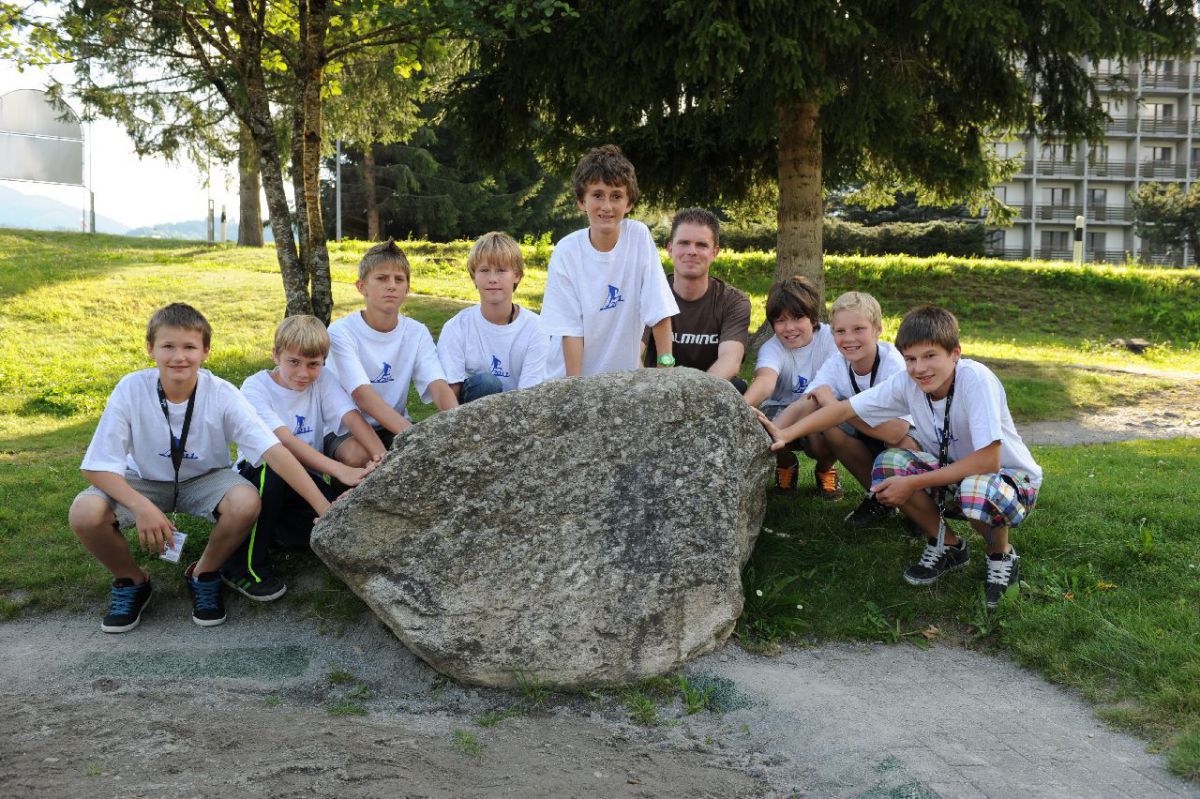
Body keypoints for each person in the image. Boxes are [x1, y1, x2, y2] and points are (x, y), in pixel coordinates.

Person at [68, 303, 333, 632]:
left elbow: (273, 451)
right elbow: (96, 467)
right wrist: (141, 506)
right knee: (85, 512)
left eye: (190, 347)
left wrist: (324, 508)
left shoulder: (222, 393)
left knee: (245, 501)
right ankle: (132, 580)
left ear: (206, 351)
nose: (179, 356)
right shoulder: (131, 388)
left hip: (206, 478)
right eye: (168, 346)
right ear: (150, 348)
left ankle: (204, 573)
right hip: (143, 480)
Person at [757, 305, 1042, 608]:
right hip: (957, 476)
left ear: (955, 353)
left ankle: (1000, 556)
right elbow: (844, 410)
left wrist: (914, 483)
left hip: (1009, 481)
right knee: (890, 464)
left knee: (976, 487)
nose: (920, 368)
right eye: (910, 359)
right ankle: (948, 546)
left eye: (930, 356)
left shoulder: (976, 379)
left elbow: (988, 461)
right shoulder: (908, 382)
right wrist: (786, 433)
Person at [222, 315, 384, 601]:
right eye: (294, 362)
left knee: (335, 525)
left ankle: (272, 531)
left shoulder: (324, 380)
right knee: (273, 473)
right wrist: (339, 470)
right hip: (258, 475)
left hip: (302, 480)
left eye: (313, 364)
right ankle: (243, 567)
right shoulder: (255, 387)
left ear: (323, 362)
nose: (303, 373)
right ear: (276, 355)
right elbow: (283, 441)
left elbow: (350, 416)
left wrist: (380, 457)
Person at [540, 144, 678, 377]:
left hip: (621, 379)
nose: (606, 206)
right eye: (597, 195)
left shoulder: (639, 237)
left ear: (629, 203)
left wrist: (667, 371)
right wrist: (576, 388)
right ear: (582, 201)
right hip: (569, 379)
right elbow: (570, 330)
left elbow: (659, 309)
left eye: (616, 196)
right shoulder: (566, 251)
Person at [785, 291, 919, 525]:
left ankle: (919, 504)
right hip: (869, 431)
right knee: (829, 427)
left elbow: (895, 432)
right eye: (840, 331)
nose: (849, 338)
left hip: (910, 438)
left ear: (878, 329)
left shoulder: (893, 363)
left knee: (900, 445)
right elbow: (806, 402)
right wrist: (775, 434)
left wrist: (835, 407)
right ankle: (878, 496)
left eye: (858, 329)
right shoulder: (837, 363)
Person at [325, 239, 458, 467]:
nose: (391, 286)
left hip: (392, 424)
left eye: (399, 279)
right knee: (360, 456)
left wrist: (460, 426)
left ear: (407, 289)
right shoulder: (341, 332)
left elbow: (438, 385)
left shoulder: (417, 332)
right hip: (344, 428)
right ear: (361, 287)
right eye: (381, 278)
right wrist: (416, 437)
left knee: (433, 458)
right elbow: (362, 396)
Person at [742, 275, 841, 498]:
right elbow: (765, 381)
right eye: (780, 320)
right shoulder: (772, 348)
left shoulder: (830, 339)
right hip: (780, 408)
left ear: (813, 318)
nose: (789, 328)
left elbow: (831, 386)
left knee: (829, 432)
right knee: (763, 425)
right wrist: (741, 407)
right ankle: (786, 464)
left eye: (797, 318)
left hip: (818, 406)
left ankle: (825, 468)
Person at [641, 208, 751, 391]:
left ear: (715, 252)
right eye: (684, 243)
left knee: (737, 387)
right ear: (670, 249)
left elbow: (731, 361)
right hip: (657, 389)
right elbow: (632, 354)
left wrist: (691, 395)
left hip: (710, 390)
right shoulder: (648, 294)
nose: (691, 251)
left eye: (701, 245)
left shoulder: (733, 301)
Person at [437, 232, 548, 401]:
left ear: (517, 275)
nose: (493, 279)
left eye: (501, 270)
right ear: (473, 276)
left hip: (520, 411)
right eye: (484, 270)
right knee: (487, 384)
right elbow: (449, 394)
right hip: (467, 413)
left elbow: (530, 396)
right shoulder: (456, 327)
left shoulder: (536, 327)